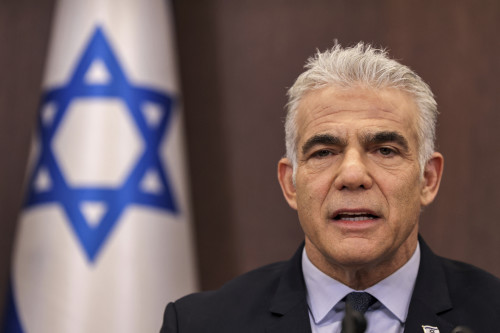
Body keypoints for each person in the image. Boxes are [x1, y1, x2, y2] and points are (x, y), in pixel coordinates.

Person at [160, 43, 500, 333]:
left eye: (384, 150)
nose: (352, 175)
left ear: (428, 179)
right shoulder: (200, 324)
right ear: (290, 184)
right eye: (324, 152)